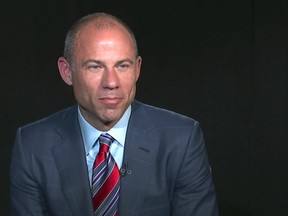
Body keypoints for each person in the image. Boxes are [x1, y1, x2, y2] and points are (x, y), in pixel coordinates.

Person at [10, 12, 219, 216]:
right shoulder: (32, 146)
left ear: (137, 69)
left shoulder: (181, 140)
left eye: (122, 65)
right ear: (67, 72)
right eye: (95, 66)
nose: (111, 82)